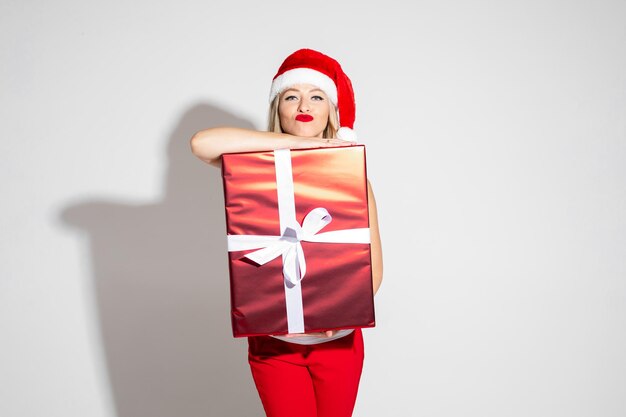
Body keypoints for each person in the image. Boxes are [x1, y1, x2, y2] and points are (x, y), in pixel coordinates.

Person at [190, 48, 383, 417]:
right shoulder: (253, 170)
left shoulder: (353, 177)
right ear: (278, 108)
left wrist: (340, 311)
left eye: (316, 96)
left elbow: (374, 265)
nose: (303, 105)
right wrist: (311, 147)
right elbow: (202, 143)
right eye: (291, 96)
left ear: (331, 110)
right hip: (274, 344)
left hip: (338, 342)